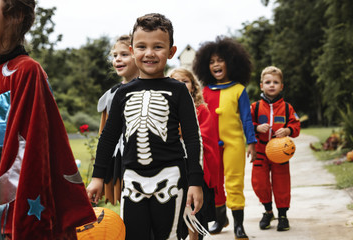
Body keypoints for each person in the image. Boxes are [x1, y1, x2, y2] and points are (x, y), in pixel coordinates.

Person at [86, 13, 204, 240]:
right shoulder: (122, 93)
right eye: (141, 46)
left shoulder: (178, 91)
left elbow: (192, 137)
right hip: (131, 178)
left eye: (158, 47)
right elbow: (108, 138)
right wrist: (97, 177)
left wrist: (195, 182)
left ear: (171, 52)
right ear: (132, 50)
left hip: (171, 177)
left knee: (168, 236)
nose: (149, 53)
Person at [0, 0, 96, 239]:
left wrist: (13, 219)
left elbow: (31, 152)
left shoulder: (24, 72)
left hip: (6, 207)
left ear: (15, 15)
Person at [193, 36, 257, 239]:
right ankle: (220, 220)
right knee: (215, 184)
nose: (216, 65)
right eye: (211, 62)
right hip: (211, 146)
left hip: (234, 144)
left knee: (235, 182)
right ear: (206, 66)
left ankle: (239, 225)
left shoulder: (239, 90)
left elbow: (247, 119)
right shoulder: (203, 91)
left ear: (231, 62)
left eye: (220, 60)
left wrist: (252, 143)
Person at [170, 68, 219, 240]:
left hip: (194, 166)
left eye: (185, 81)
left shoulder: (201, 109)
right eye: (175, 81)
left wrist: (184, 132)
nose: (181, 85)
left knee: (193, 209)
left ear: (193, 86)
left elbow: (205, 137)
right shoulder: (166, 110)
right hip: (173, 165)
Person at [250, 66, 300, 231]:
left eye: (276, 82)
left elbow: (296, 126)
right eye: (268, 82)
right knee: (259, 183)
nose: (272, 85)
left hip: (280, 153)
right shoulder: (255, 107)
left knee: (282, 184)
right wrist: (257, 128)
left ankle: (283, 215)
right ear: (261, 85)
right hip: (261, 151)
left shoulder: (287, 108)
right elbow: (246, 124)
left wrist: (287, 130)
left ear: (281, 86)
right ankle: (268, 211)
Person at [97, 34, 139, 205]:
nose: (118, 60)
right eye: (115, 56)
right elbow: (104, 133)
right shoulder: (111, 95)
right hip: (120, 159)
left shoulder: (156, 90)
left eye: (124, 54)